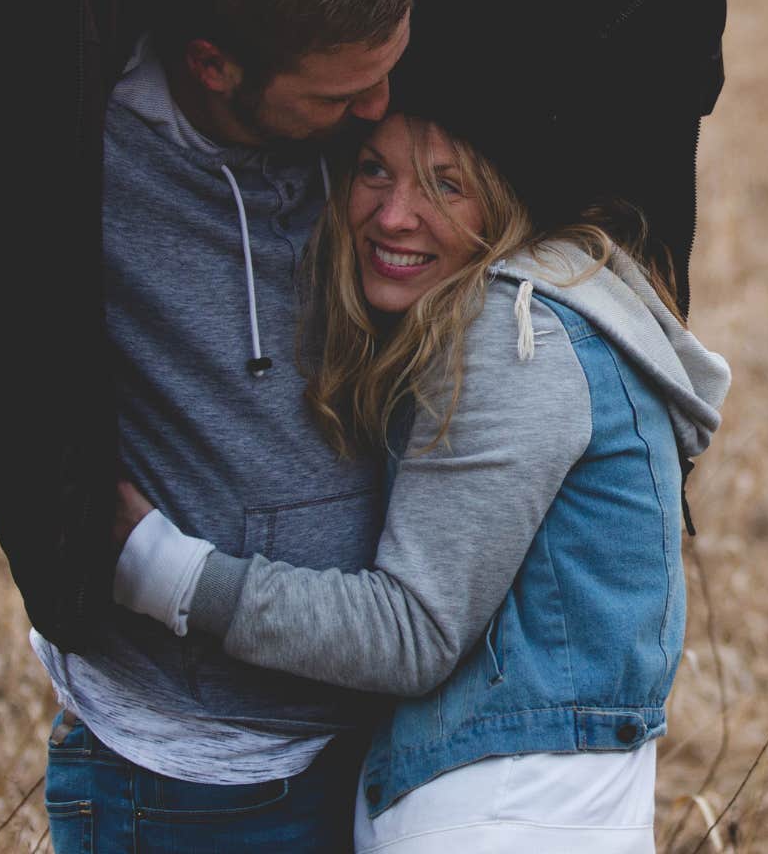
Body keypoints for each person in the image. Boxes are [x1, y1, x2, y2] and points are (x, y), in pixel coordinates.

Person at [0, 0, 727, 849]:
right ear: (215, 66)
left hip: (372, 752)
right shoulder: (69, 132)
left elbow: (586, 63)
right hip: (181, 774)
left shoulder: (357, 103)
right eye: (343, 99)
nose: (379, 112)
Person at [112, 103, 727, 849]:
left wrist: (160, 569)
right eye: (374, 169)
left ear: (507, 201)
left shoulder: (514, 334)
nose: (396, 215)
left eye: (447, 185)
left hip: (496, 820)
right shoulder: (550, 304)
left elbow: (412, 631)